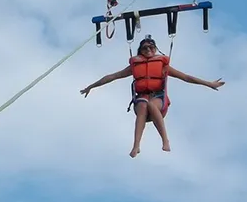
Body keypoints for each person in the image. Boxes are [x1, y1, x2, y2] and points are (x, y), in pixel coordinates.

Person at [80, 35, 225, 158]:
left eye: (151, 47)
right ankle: (136, 146)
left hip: (158, 99)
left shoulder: (163, 66)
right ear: (140, 51)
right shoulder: (135, 66)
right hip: (142, 98)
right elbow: (112, 76)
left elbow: (186, 77)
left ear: (155, 49)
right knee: (143, 104)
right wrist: (91, 87)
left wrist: (209, 84)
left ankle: (165, 141)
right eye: (145, 48)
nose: (148, 50)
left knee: (150, 105)